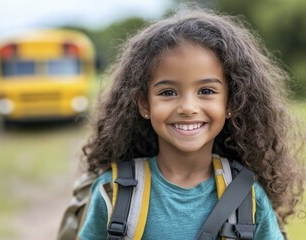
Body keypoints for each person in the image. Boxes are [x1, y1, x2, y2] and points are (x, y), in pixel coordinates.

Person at [77, 7, 304, 240]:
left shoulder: (248, 197)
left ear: (232, 102)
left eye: (206, 90)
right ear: (144, 104)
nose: (187, 107)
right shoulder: (113, 192)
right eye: (167, 92)